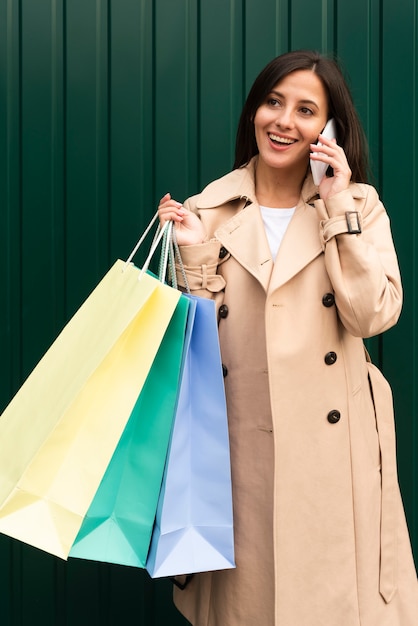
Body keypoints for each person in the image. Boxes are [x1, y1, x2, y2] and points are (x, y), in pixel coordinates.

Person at [158, 50, 418, 625]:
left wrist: (336, 204)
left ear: (328, 130)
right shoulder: (208, 209)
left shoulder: (359, 206)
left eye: (305, 109)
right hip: (240, 451)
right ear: (254, 109)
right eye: (273, 101)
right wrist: (195, 251)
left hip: (337, 452)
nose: (283, 120)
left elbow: (373, 313)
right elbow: (196, 349)